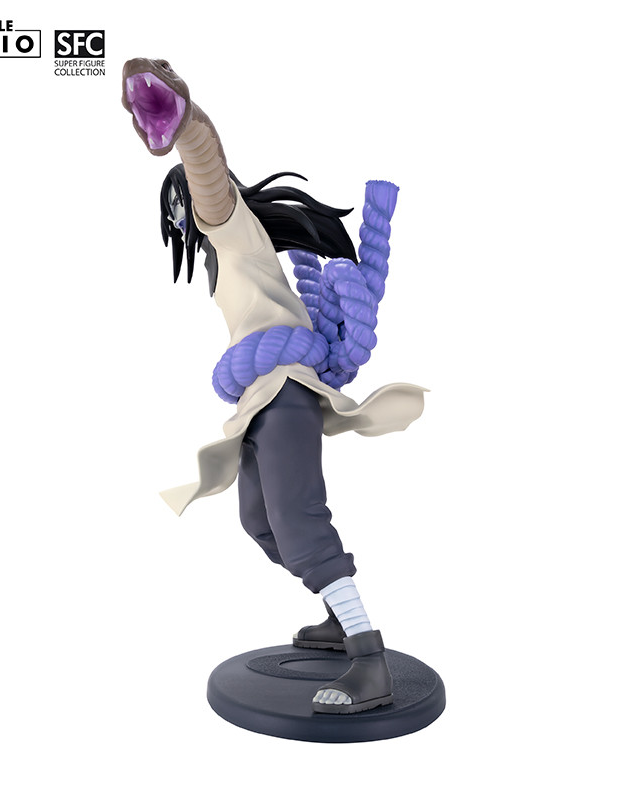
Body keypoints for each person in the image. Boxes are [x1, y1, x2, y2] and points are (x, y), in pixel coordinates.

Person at [122, 58, 426, 713]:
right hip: (262, 398)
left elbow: (208, 170)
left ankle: (368, 660)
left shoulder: (232, 227)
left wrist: (186, 123)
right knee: (259, 521)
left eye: (182, 205)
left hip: (284, 392)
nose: (184, 217)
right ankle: (340, 618)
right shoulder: (228, 257)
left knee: (298, 521)